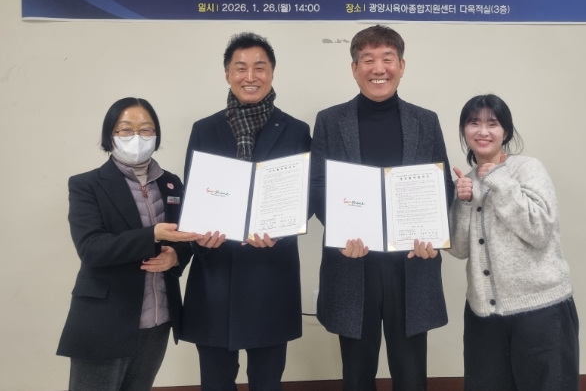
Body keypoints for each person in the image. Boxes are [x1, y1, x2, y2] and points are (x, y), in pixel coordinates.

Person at [310, 25, 455, 391]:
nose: (378, 68)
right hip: (352, 262)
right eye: (368, 60)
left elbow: (442, 186)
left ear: (401, 66)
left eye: (387, 59)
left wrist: (434, 235)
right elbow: (318, 186)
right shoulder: (330, 121)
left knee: (411, 376)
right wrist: (342, 230)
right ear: (354, 68)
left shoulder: (425, 121)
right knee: (357, 376)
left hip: (411, 263)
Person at [180, 32, 311, 391]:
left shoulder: (297, 131)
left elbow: (307, 196)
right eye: (240, 68)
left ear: (272, 73)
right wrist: (198, 235)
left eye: (259, 67)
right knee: (215, 381)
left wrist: (282, 230)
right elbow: (195, 193)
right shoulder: (204, 129)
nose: (250, 76)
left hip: (272, 271)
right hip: (215, 271)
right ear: (227, 74)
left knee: (267, 381)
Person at [57, 97, 202, 391]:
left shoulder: (171, 183)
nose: (137, 137)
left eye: (146, 129)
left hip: (158, 318)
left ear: (156, 136)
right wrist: (152, 235)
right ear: (110, 135)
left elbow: (186, 236)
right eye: (125, 129)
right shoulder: (87, 184)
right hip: (105, 318)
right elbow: (92, 249)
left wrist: (176, 256)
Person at [449, 94, 579, 391]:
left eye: (492, 123)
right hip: (484, 315)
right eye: (473, 123)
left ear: (505, 131)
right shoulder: (467, 180)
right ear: (464, 131)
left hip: (540, 310)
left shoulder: (528, 168)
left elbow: (539, 229)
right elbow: (458, 249)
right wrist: (464, 202)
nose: (483, 131)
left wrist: (499, 178)